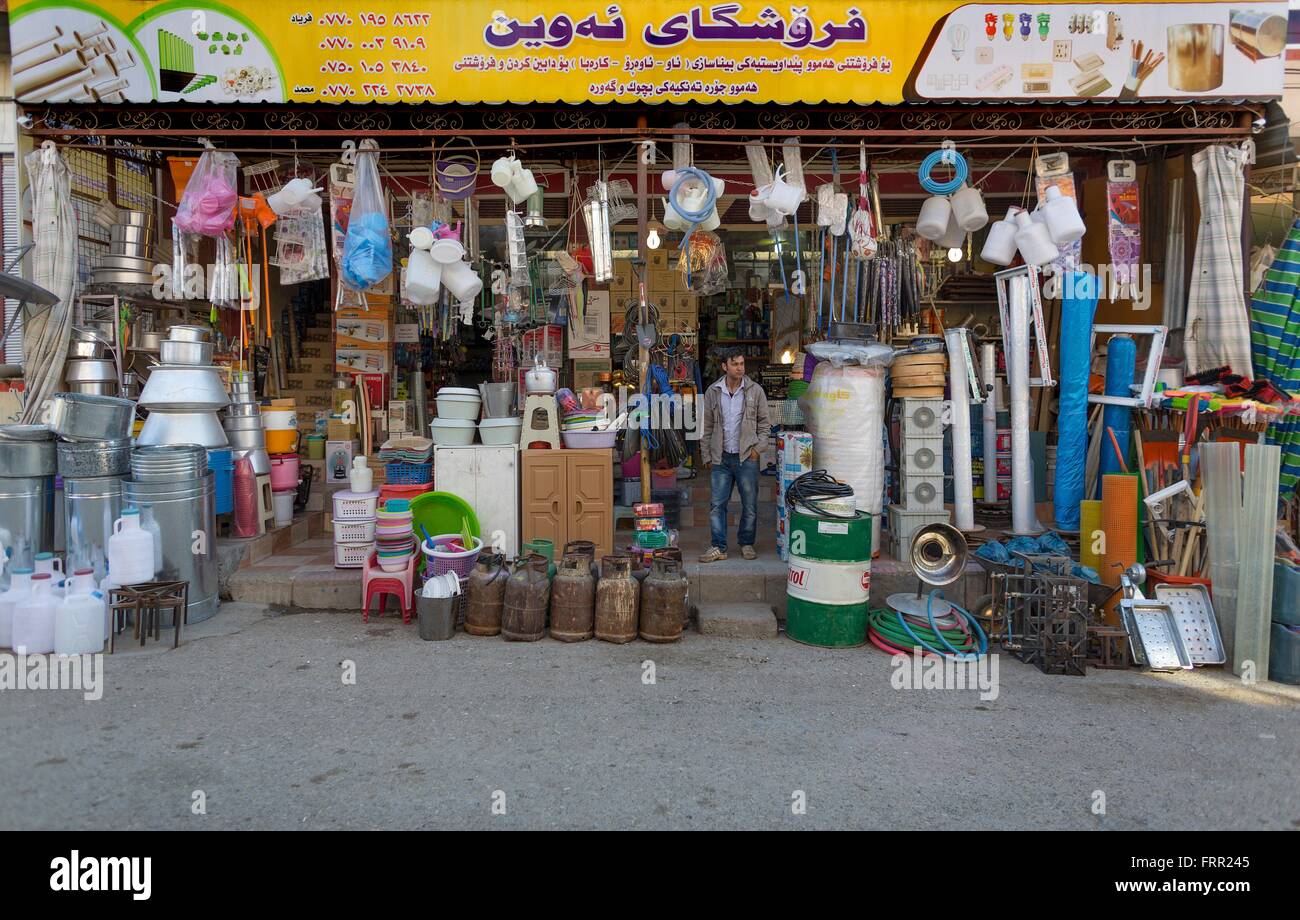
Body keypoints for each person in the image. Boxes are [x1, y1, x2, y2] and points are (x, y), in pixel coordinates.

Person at [697, 349, 771, 562]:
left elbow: (765, 424)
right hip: (721, 457)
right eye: (735, 364)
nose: (740, 368)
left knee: (749, 504)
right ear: (724, 366)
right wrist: (707, 456)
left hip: (746, 456)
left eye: (742, 363)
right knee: (717, 505)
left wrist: (758, 449)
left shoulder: (755, 391)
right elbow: (707, 425)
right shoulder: (713, 391)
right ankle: (718, 547)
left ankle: (746, 543)